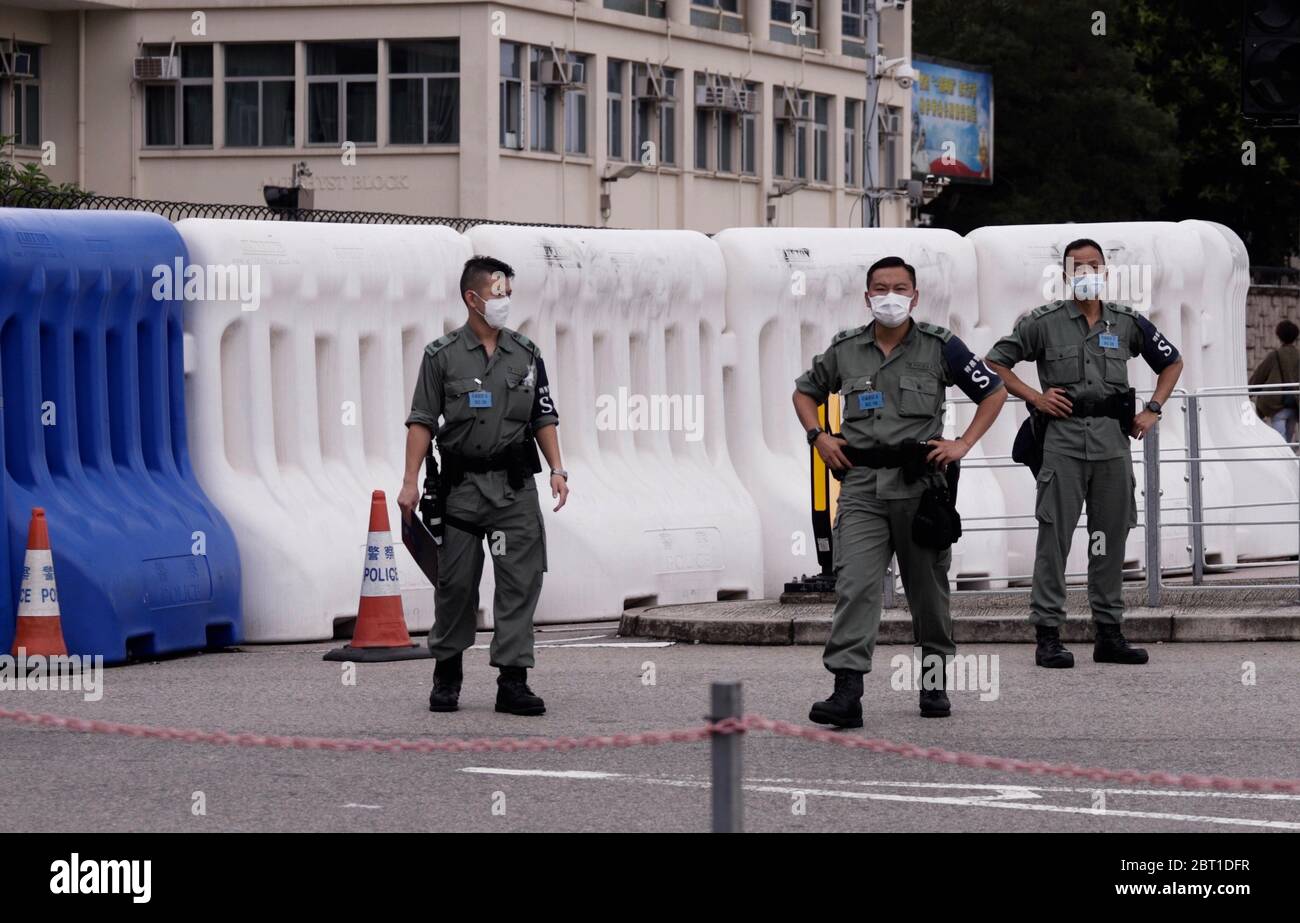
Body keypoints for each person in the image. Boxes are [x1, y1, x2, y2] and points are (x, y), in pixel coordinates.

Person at [792, 256, 1007, 727]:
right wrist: (819, 437)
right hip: (862, 485)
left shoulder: (940, 346)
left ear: (915, 295)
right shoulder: (845, 349)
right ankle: (846, 690)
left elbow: (993, 390)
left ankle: (933, 681)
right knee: (855, 587)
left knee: (927, 592)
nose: (890, 296)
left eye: (900, 288)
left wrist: (963, 444)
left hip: (920, 484)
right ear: (868, 296)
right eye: (881, 288)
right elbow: (804, 392)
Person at [985, 238, 1183, 669]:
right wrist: (1035, 398)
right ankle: (1048, 635)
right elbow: (995, 363)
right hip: (1063, 444)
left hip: (1113, 445)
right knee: (1053, 540)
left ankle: (1109, 634)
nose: (1088, 272)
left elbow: (1172, 362)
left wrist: (1152, 410)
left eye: (1095, 265)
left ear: (1107, 272)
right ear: (1065, 276)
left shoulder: (1128, 323)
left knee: (1108, 540)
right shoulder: (1043, 322)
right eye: (1079, 266)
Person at [398, 256, 570, 715]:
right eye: (498, 293)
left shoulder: (526, 353)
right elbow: (421, 422)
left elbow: (543, 415)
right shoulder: (441, 356)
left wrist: (557, 468)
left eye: (509, 292)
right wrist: (410, 482)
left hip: (514, 487)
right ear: (472, 299)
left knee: (520, 581)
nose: (505, 300)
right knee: (455, 584)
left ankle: (512, 680)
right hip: (461, 488)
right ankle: (447, 673)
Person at [1248, 319, 1300, 447]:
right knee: (1287, 442)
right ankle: (1289, 464)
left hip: (1277, 405)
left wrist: (1248, 392)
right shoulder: (1298, 356)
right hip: (1295, 404)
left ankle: (1283, 464)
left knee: (1280, 444)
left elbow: (1260, 375)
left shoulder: (1275, 355)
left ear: (1279, 336)